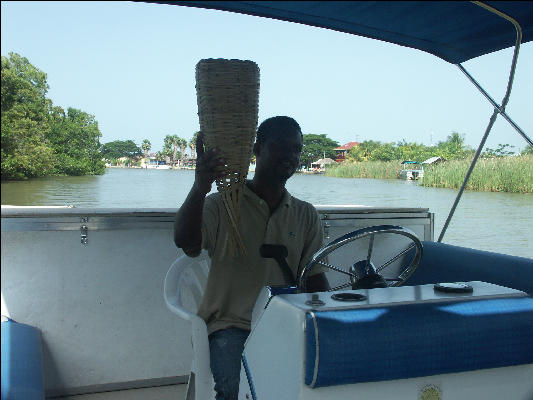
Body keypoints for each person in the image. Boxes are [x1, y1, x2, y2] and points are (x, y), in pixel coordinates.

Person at [173, 116, 329, 400]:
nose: (291, 156)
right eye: (282, 147)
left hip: (288, 322)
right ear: (257, 149)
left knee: (318, 383)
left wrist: (332, 318)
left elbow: (315, 277)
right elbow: (185, 242)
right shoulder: (222, 203)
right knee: (237, 389)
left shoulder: (306, 215)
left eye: (297, 149)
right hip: (229, 325)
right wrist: (199, 187)